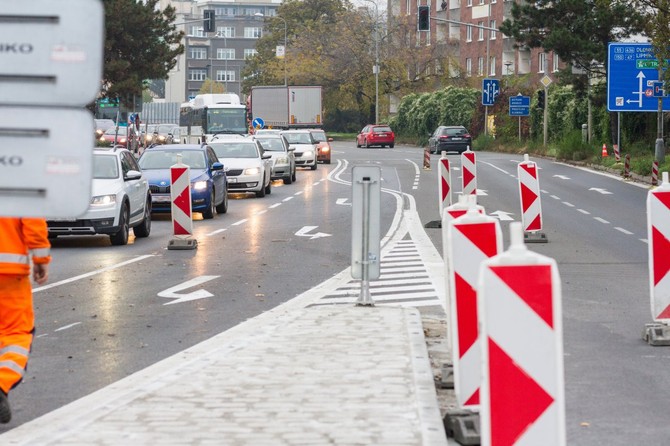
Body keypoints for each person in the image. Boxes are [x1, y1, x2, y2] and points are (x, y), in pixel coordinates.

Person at [0, 217, 51, 423]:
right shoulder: (18, 183)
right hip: (9, 274)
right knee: (17, 334)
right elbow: (33, 220)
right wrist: (41, 260)